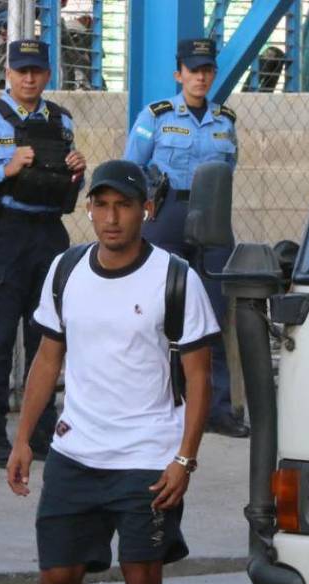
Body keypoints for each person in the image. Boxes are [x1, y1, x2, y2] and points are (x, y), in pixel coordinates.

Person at [7, 159, 219, 584]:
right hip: (78, 449)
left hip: (148, 455)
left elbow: (199, 378)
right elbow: (48, 357)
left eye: (122, 205)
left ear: (145, 209)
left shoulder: (174, 279)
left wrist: (184, 459)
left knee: (141, 578)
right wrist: (24, 438)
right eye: (100, 205)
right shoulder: (66, 269)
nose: (110, 217)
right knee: (57, 578)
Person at [0, 39, 88, 466]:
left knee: (47, 340)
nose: (29, 78)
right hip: (6, 236)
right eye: (21, 70)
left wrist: (77, 174)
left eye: (36, 71)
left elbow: (67, 185)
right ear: (9, 73)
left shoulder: (61, 121)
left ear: (48, 75)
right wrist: (3, 169)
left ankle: (41, 436)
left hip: (49, 236)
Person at [123, 37, 249, 439]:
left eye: (207, 70)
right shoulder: (156, 116)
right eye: (194, 70)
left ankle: (217, 408)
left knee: (212, 312)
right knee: (160, 310)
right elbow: (131, 168)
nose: (201, 77)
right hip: (167, 214)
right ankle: (158, 402)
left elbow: (230, 167)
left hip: (212, 216)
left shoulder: (225, 121)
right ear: (179, 74)